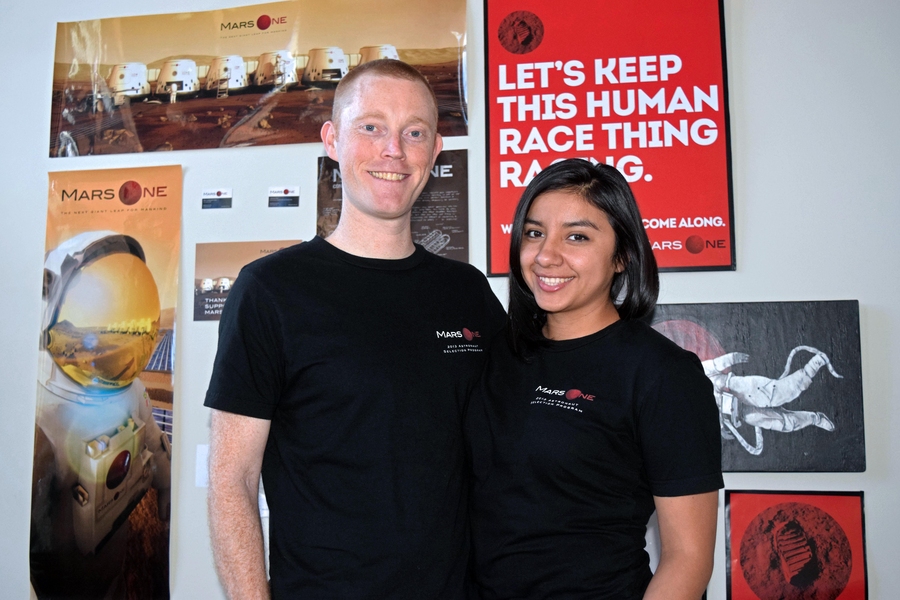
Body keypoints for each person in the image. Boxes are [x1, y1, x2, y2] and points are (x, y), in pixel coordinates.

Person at [204, 59, 505, 599]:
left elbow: (513, 451)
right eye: (371, 127)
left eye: (414, 132)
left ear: (435, 152)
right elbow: (232, 481)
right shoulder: (271, 290)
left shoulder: (468, 294)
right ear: (332, 141)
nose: (394, 149)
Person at [467, 159, 723, 599]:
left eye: (577, 236)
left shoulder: (662, 373)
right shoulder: (494, 354)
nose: (547, 255)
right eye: (534, 233)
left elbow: (688, 561)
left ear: (622, 255)